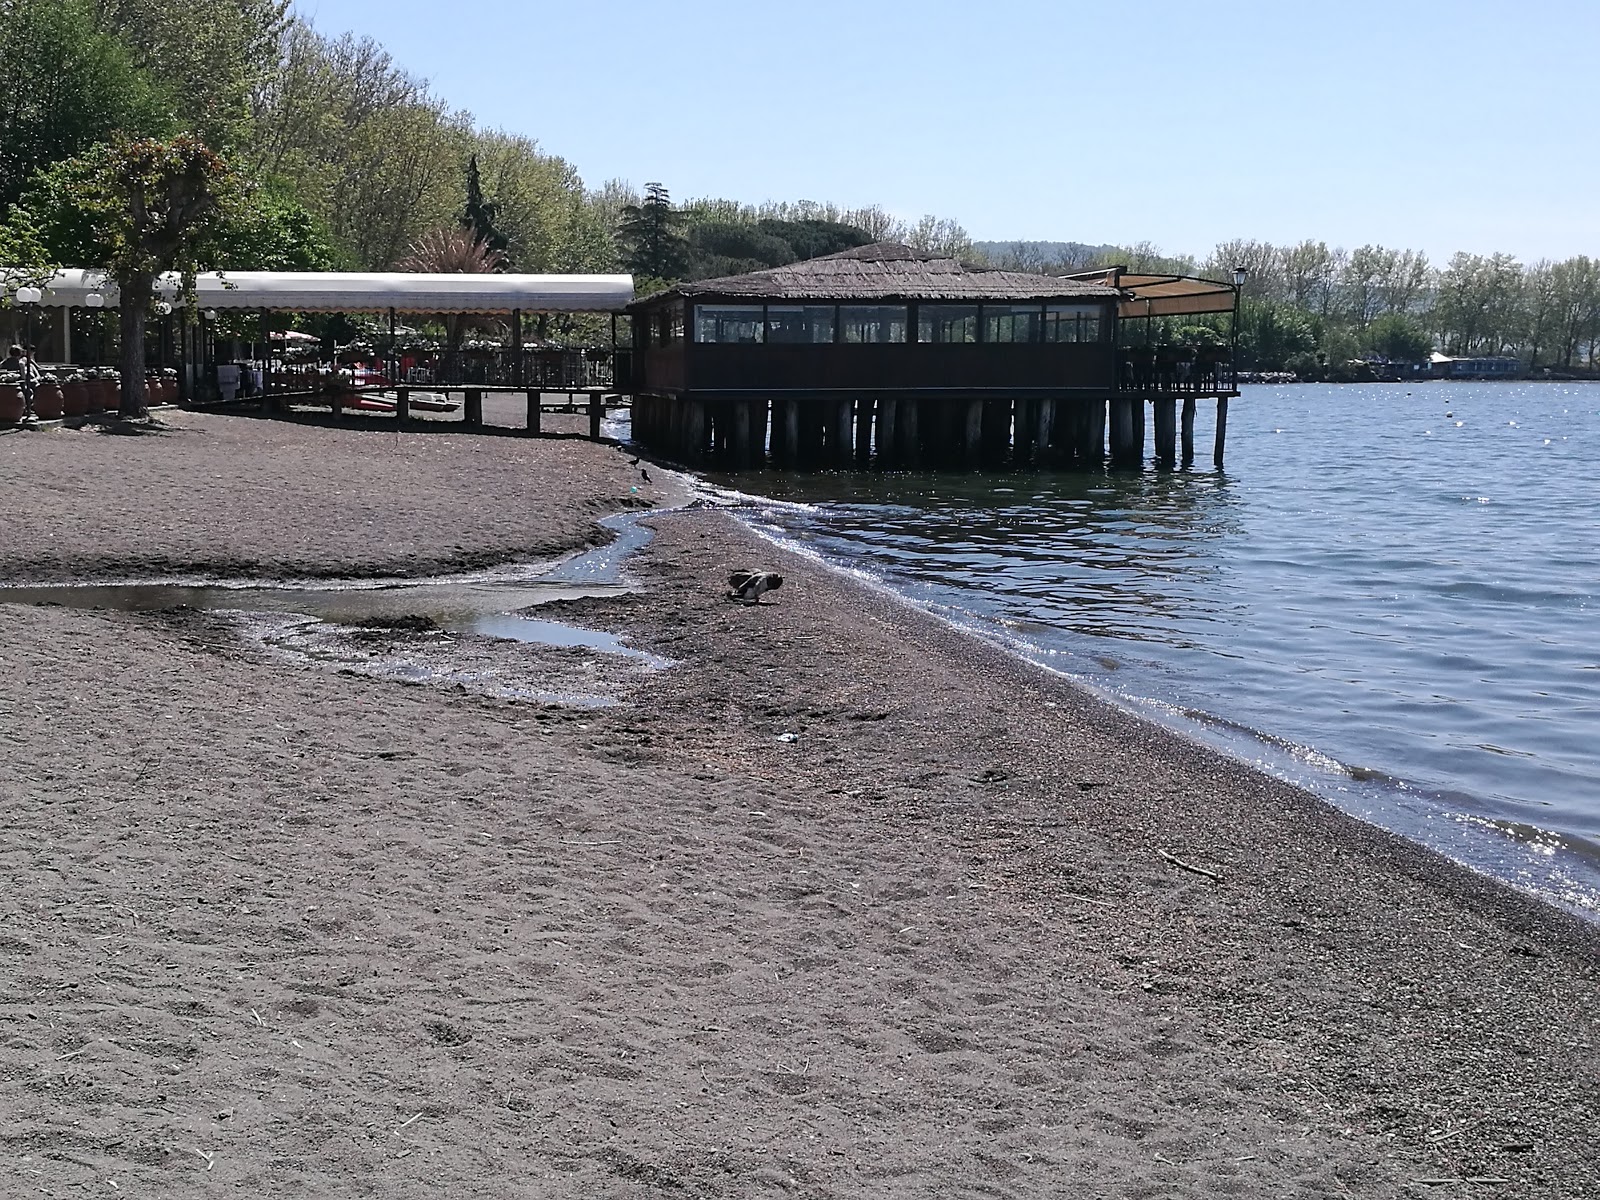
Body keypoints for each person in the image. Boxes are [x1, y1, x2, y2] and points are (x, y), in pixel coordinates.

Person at [1, 344, 41, 419]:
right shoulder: (20, 361)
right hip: (17, 381)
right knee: (28, 391)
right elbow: (22, 368)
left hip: (8, 381)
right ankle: (27, 409)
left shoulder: (7, 360)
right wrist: (23, 377)